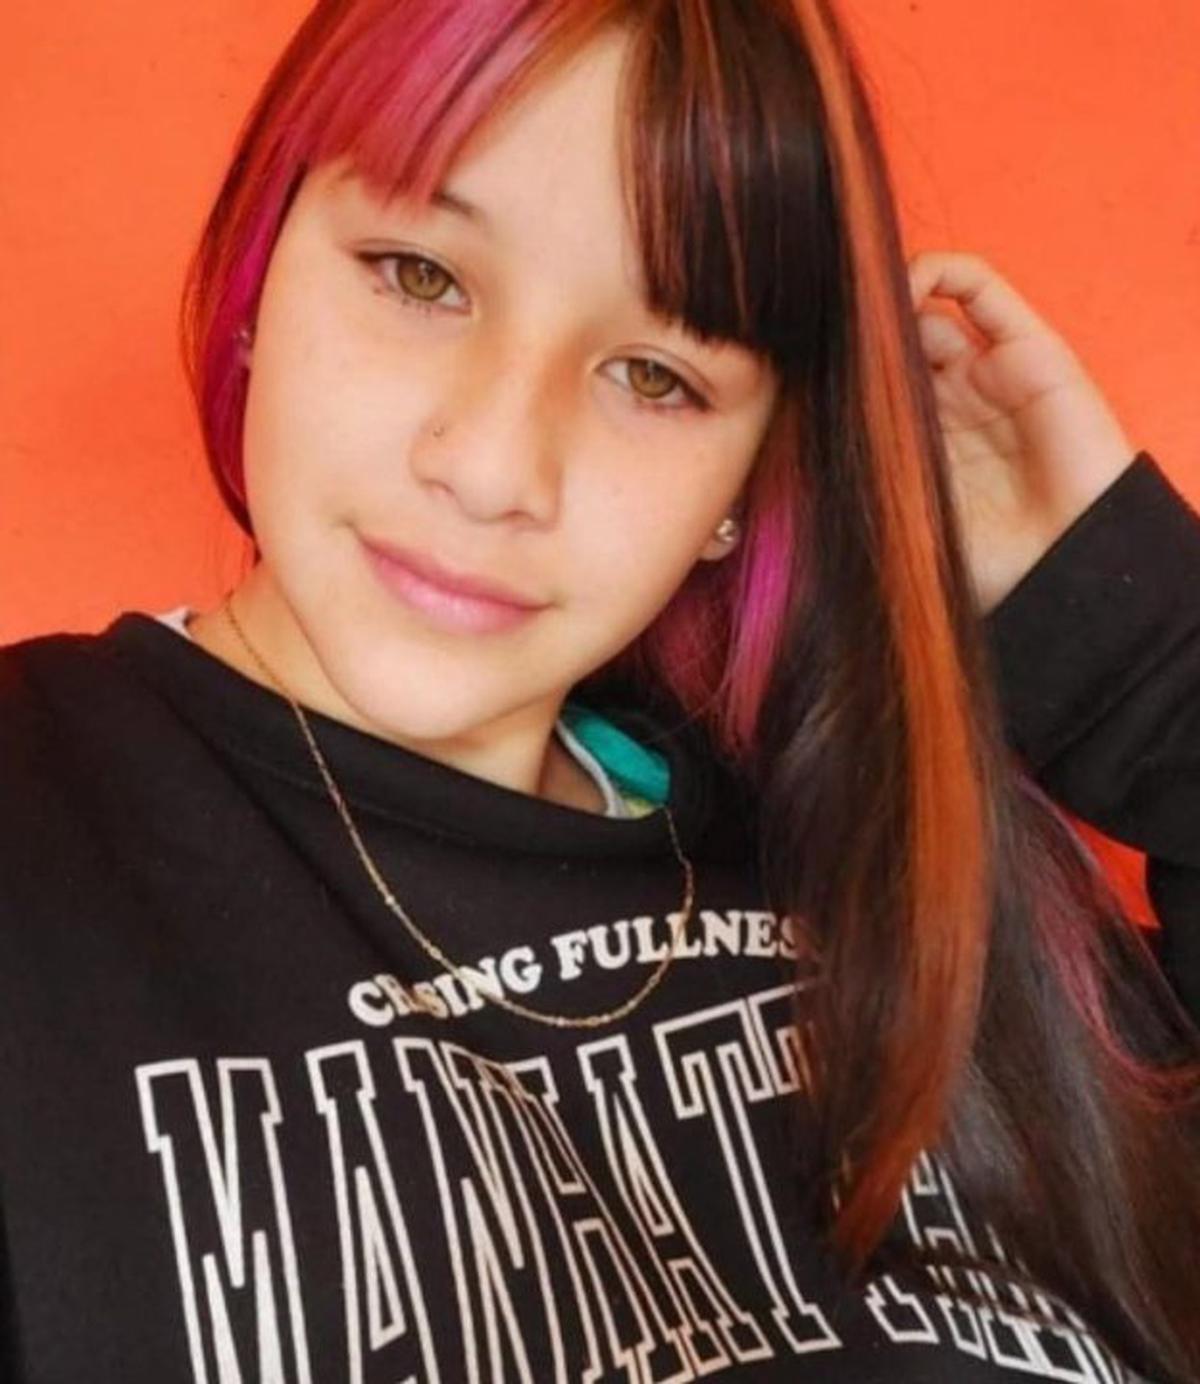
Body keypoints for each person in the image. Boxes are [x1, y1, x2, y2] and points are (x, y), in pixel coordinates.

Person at [1, 1, 1197, 1380]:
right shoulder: (41, 831)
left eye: (654, 375)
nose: (495, 469)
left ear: (748, 477)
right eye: (418, 275)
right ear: (261, 276)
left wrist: (1140, 651)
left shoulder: (887, 850)